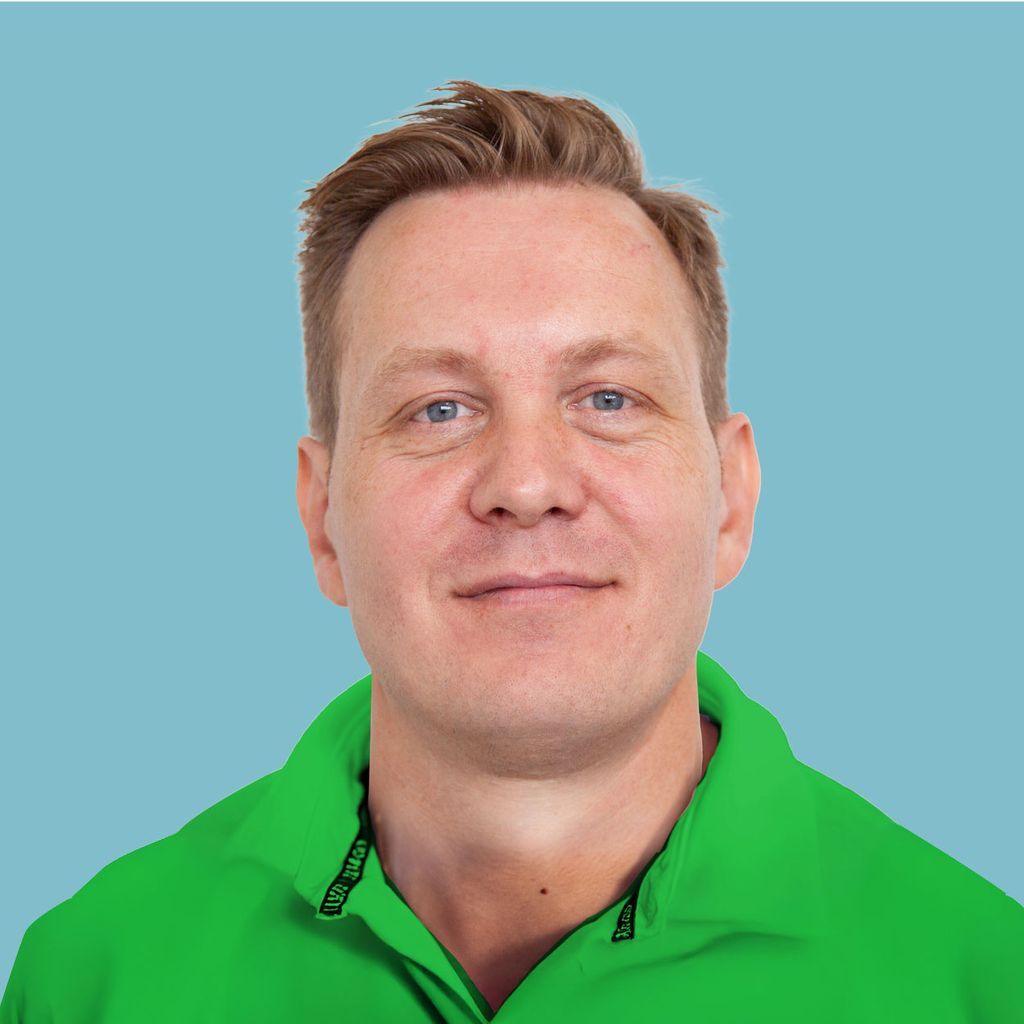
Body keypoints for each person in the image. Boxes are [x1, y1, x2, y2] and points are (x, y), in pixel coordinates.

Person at [3, 79, 1022, 1023]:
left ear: (731, 498)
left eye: (609, 398)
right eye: (438, 409)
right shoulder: (93, 981)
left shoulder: (981, 980)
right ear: (322, 517)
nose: (527, 485)